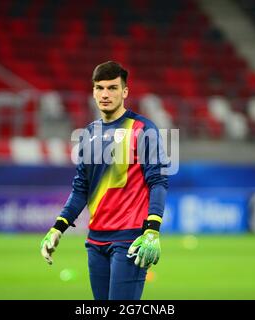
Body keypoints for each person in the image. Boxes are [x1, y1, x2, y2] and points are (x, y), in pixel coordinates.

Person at [40, 61, 168, 300]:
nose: (105, 94)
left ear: (125, 91)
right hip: (95, 241)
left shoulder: (143, 129)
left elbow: (158, 182)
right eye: (100, 88)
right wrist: (58, 227)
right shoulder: (88, 134)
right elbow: (81, 189)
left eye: (112, 88)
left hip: (130, 239)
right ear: (93, 92)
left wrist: (152, 230)